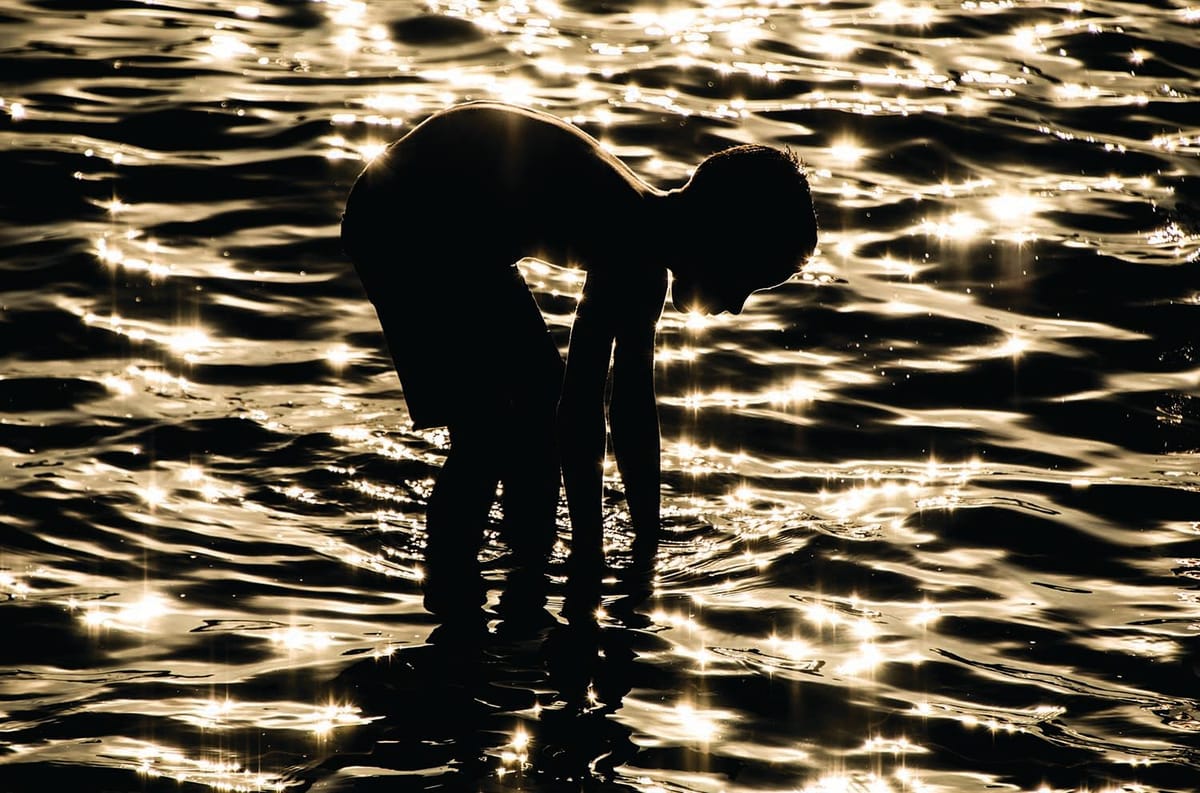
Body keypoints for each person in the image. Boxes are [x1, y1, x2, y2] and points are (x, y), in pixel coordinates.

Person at [341, 101, 818, 629]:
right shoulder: (626, 234)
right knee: (487, 432)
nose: (736, 306)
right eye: (745, 282)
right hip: (401, 222)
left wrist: (646, 542)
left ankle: (526, 564)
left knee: (537, 403)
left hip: (466, 240)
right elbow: (583, 408)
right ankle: (454, 592)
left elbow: (633, 410)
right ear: (721, 238)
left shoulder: (644, 251)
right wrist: (590, 559)